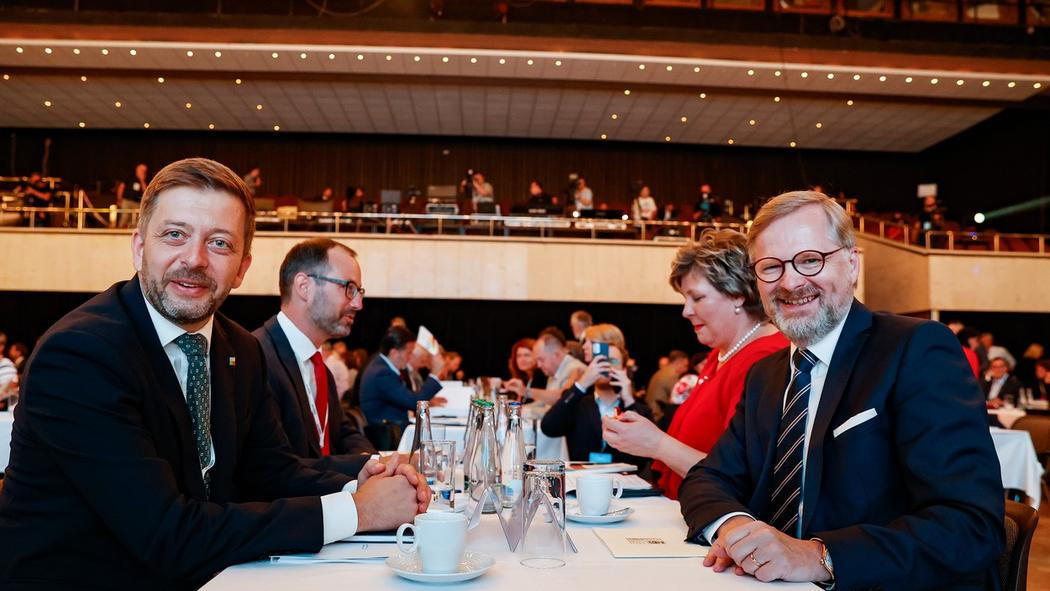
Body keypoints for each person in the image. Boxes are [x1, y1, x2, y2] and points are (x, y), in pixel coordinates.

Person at [0, 158, 430, 588]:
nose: (195, 259)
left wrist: (358, 481)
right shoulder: (80, 354)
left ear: (242, 268)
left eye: (220, 243)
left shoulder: (240, 349)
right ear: (139, 247)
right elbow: (168, 535)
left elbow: (271, 473)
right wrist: (358, 510)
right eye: (175, 234)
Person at [678, 191, 1003, 589]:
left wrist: (818, 557)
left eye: (810, 260)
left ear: (852, 264)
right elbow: (706, 478)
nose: (791, 282)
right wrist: (735, 527)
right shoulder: (765, 375)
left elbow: (970, 524)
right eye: (771, 267)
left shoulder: (915, 349)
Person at [602, 231, 787, 499]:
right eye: (685, 299)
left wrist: (656, 444)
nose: (686, 311)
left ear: (738, 294)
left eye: (697, 298)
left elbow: (741, 478)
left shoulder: (766, 359)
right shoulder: (721, 354)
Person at [252, 238, 378, 477]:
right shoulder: (257, 358)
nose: (358, 304)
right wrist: (362, 469)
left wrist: (374, 462)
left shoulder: (319, 366)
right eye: (349, 288)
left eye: (359, 291)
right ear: (304, 287)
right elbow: (276, 468)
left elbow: (342, 432)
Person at [541, 323, 651, 469]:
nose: (606, 366)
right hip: (582, 479)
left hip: (625, 480)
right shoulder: (578, 402)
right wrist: (582, 383)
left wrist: (629, 400)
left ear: (624, 369)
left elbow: (647, 452)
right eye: (599, 361)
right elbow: (548, 427)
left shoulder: (638, 407)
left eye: (612, 361)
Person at [358, 326, 446, 428]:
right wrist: (434, 374)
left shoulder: (381, 366)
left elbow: (408, 397)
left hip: (392, 427)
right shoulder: (382, 373)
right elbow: (415, 403)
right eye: (409, 353)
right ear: (394, 353)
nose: (410, 358)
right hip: (386, 432)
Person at [645, 350, 689, 422]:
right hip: (659, 417)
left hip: (651, 413)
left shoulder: (662, 371)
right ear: (678, 362)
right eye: (685, 366)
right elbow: (679, 398)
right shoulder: (673, 375)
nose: (686, 369)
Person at [117, 162, 150, 228]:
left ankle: (134, 232)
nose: (142, 172)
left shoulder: (146, 179)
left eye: (144, 170)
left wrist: (142, 180)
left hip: (138, 202)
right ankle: (120, 230)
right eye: (141, 170)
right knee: (125, 217)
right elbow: (121, 187)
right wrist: (119, 199)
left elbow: (146, 192)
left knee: (137, 219)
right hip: (127, 200)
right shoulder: (130, 176)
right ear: (137, 169)